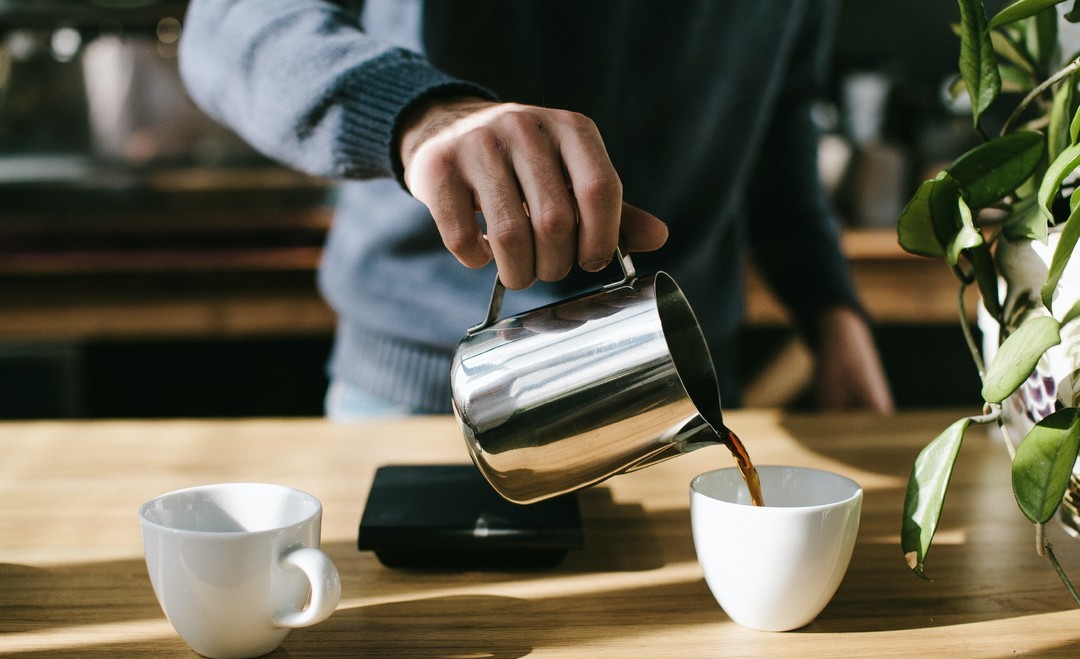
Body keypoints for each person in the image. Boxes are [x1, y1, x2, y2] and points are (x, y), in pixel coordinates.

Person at [178, 0, 894, 418]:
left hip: (682, 388)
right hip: (428, 398)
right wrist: (424, 115)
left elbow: (777, 119)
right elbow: (235, 22)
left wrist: (831, 314)